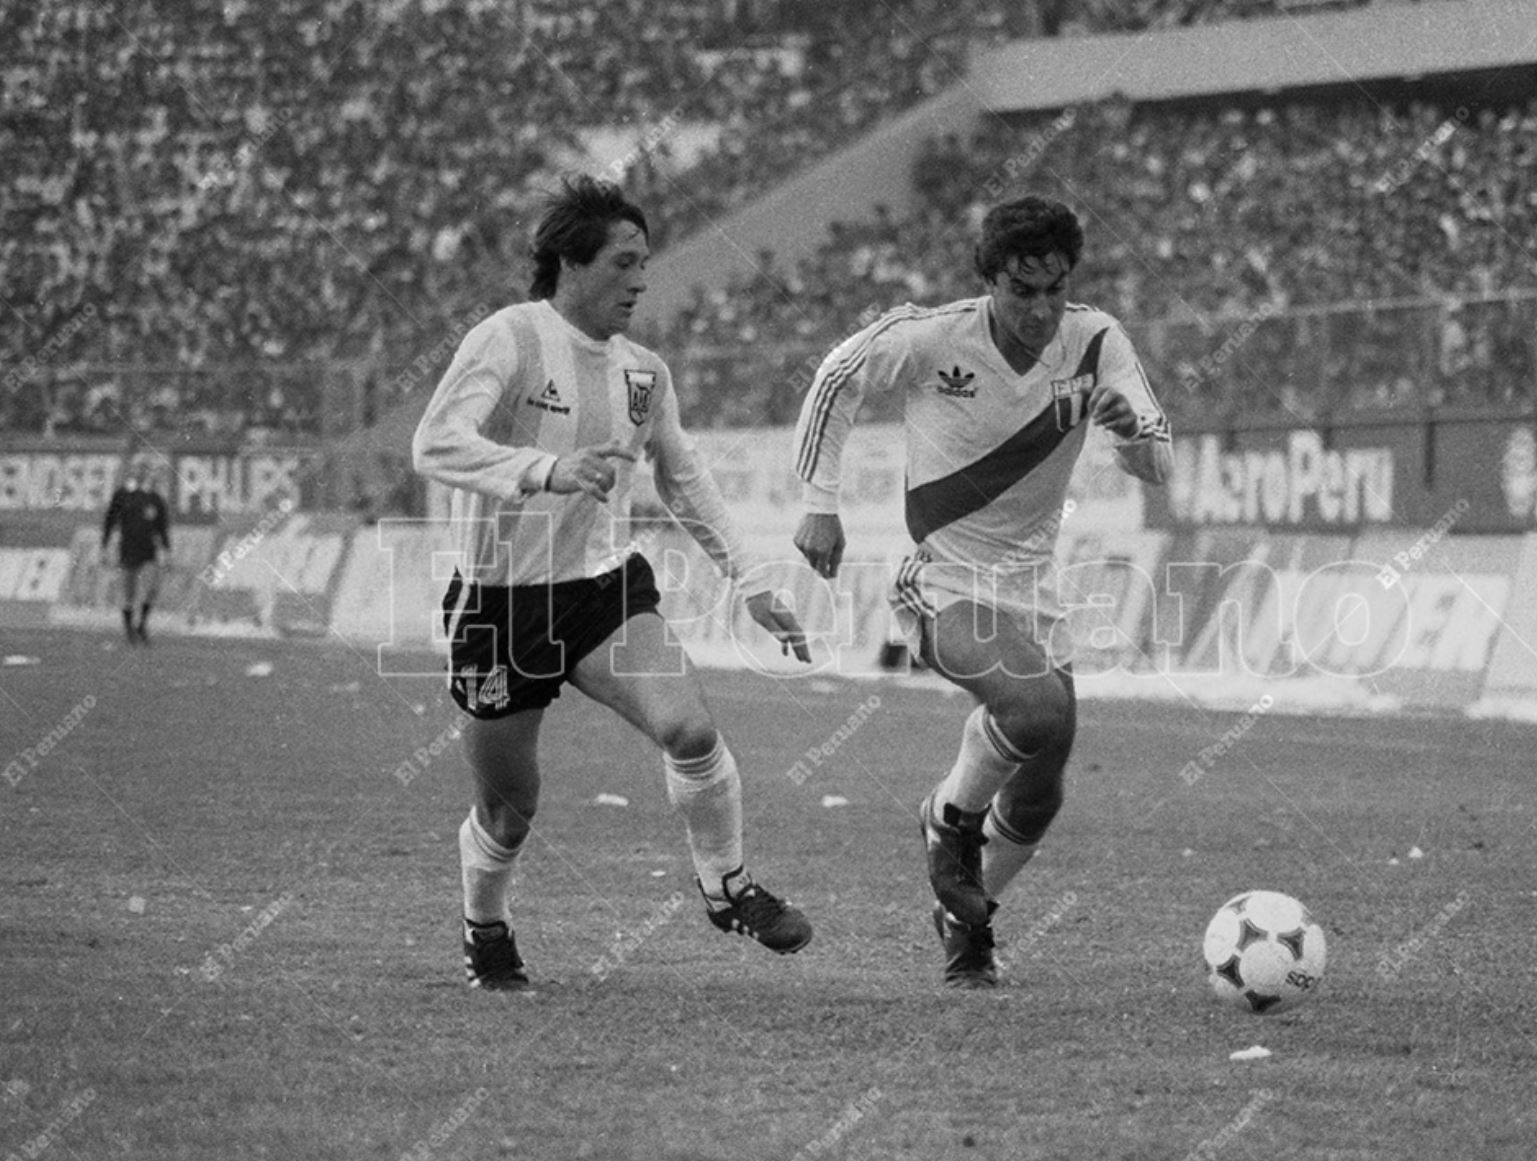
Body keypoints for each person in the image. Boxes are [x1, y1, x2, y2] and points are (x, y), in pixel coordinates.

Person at [413, 175, 815, 993]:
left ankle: (726, 886)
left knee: (691, 730)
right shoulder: (509, 337)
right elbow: (434, 443)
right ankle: (485, 926)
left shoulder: (644, 371)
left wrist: (750, 579)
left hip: (601, 591)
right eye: (625, 262)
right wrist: (545, 470)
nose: (641, 280)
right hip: (499, 604)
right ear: (570, 262)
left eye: (646, 263)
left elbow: (684, 477)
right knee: (509, 806)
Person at [791, 196, 1171, 988]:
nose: (1040, 309)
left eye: (1054, 290)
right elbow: (835, 378)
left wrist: (1129, 430)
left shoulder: (1097, 340)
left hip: (1034, 589)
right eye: (1020, 290)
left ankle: (968, 921)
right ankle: (949, 817)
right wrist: (819, 502)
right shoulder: (935, 338)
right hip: (943, 578)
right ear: (990, 280)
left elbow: (1158, 461)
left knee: (1041, 788)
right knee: (1034, 710)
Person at [101, 456, 172, 645]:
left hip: (148, 550)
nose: (141, 471)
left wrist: (167, 550)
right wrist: (105, 545)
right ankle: (129, 630)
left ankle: (141, 624)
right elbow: (109, 521)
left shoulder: (155, 498)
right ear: (132, 470)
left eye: (145, 468)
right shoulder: (123, 494)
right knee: (129, 592)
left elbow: (162, 527)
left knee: (151, 588)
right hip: (127, 548)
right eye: (138, 467)